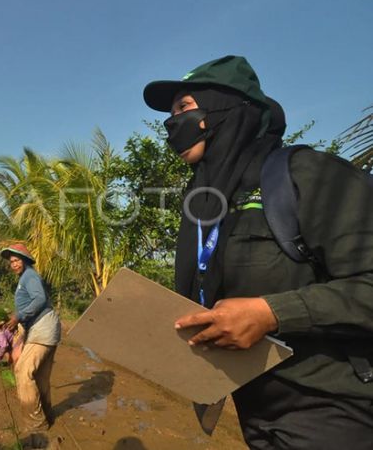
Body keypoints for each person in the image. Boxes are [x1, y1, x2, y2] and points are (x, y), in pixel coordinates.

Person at [143, 55, 373, 449]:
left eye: (183, 108)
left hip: (330, 409)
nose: (171, 124)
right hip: (253, 405)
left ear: (224, 108)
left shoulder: (305, 175)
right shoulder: (206, 202)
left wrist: (271, 314)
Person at [2, 243, 61, 436]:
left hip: (43, 328)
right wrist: (17, 319)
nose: (14, 264)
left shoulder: (30, 276)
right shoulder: (25, 278)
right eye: (11, 262)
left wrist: (18, 317)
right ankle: (48, 414)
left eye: (17, 260)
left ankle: (36, 425)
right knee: (41, 377)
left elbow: (39, 299)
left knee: (22, 371)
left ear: (25, 261)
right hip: (45, 328)